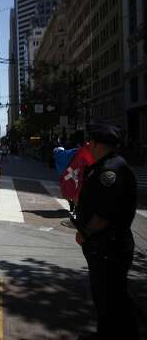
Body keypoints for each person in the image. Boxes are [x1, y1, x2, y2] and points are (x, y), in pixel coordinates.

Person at [74, 124, 139, 339]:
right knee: (110, 298)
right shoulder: (105, 166)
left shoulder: (109, 172)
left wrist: (85, 232)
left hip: (108, 247)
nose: (88, 145)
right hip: (107, 246)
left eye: (90, 142)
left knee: (110, 299)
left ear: (98, 144)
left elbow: (104, 214)